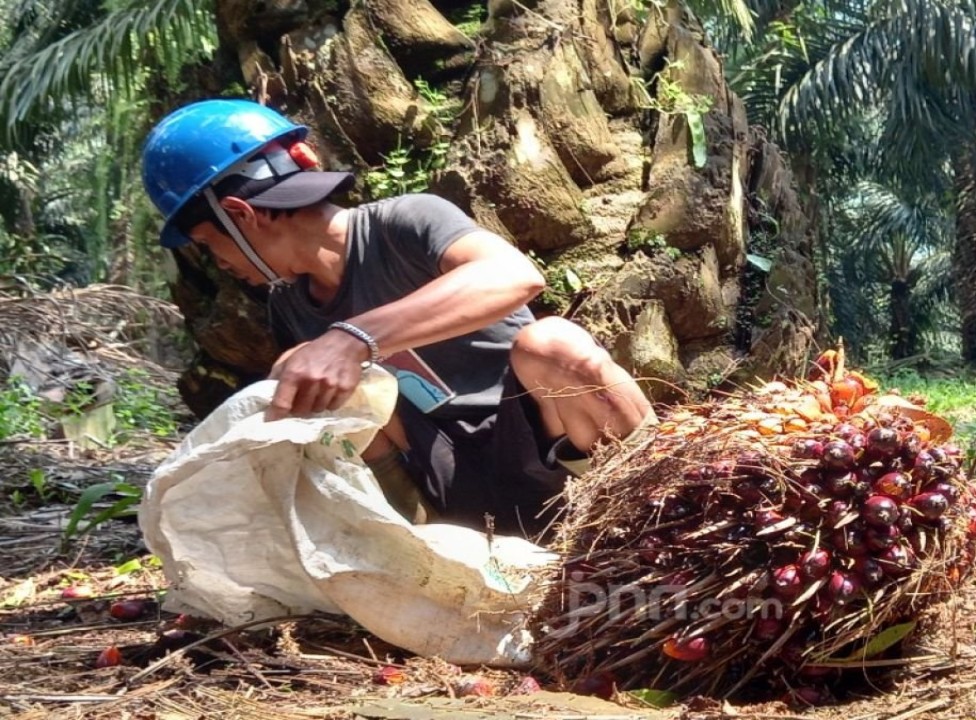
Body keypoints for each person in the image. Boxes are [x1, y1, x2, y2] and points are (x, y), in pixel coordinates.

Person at [141, 98, 655, 534]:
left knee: (554, 344)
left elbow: (513, 276)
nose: (222, 266)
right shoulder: (289, 304)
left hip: (548, 454)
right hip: (447, 492)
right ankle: (414, 560)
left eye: (210, 246)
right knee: (304, 383)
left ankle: (656, 514)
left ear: (240, 214)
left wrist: (353, 338)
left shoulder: (406, 222)